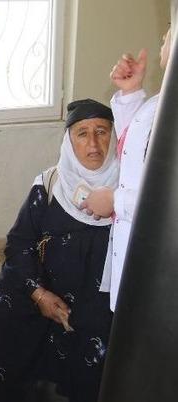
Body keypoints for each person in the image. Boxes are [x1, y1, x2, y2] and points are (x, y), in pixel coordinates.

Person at [0, 99, 118, 402]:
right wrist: (38, 293)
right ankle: (0, 389)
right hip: (47, 285)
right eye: (82, 134)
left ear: (114, 137)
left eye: (101, 132)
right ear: (69, 140)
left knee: (96, 328)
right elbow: (18, 243)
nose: (93, 144)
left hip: (99, 292)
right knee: (3, 295)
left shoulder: (128, 190)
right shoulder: (50, 184)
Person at [82, 26, 173, 312]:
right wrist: (131, 93)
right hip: (143, 252)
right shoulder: (165, 101)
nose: (164, 34)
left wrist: (114, 202)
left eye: (171, 31)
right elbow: (137, 150)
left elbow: (170, 200)